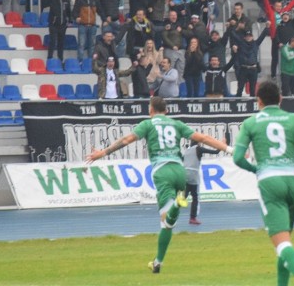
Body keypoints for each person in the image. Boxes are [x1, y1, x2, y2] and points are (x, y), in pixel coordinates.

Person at [86, 96, 232, 273]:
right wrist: (229, 149)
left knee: (166, 222)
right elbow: (204, 137)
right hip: (180, 171)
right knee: (169, 223)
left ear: (150, 110)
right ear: (167, 111)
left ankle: (177, 206)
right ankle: (157, 262)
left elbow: (126, 140)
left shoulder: (148, 124)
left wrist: (104, 152)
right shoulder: (176, 124)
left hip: (162, 172)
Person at [233, 81, 294, 286]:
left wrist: (256, 169)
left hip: (270, 181)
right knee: (285, 241)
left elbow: (238, 158)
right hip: (293, 181)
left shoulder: (250, 122)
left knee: (281, 243)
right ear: (280, 99)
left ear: (258, 101)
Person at [182, 141, 223, 225]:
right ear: (198, 143)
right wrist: (221, 146)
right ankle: (192, 218)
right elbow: (215, 152)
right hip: (193, 175)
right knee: (195, 197)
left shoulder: (186, 151)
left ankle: (170, 214)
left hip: (184, 174)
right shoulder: (198, 148)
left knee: (183, 197)